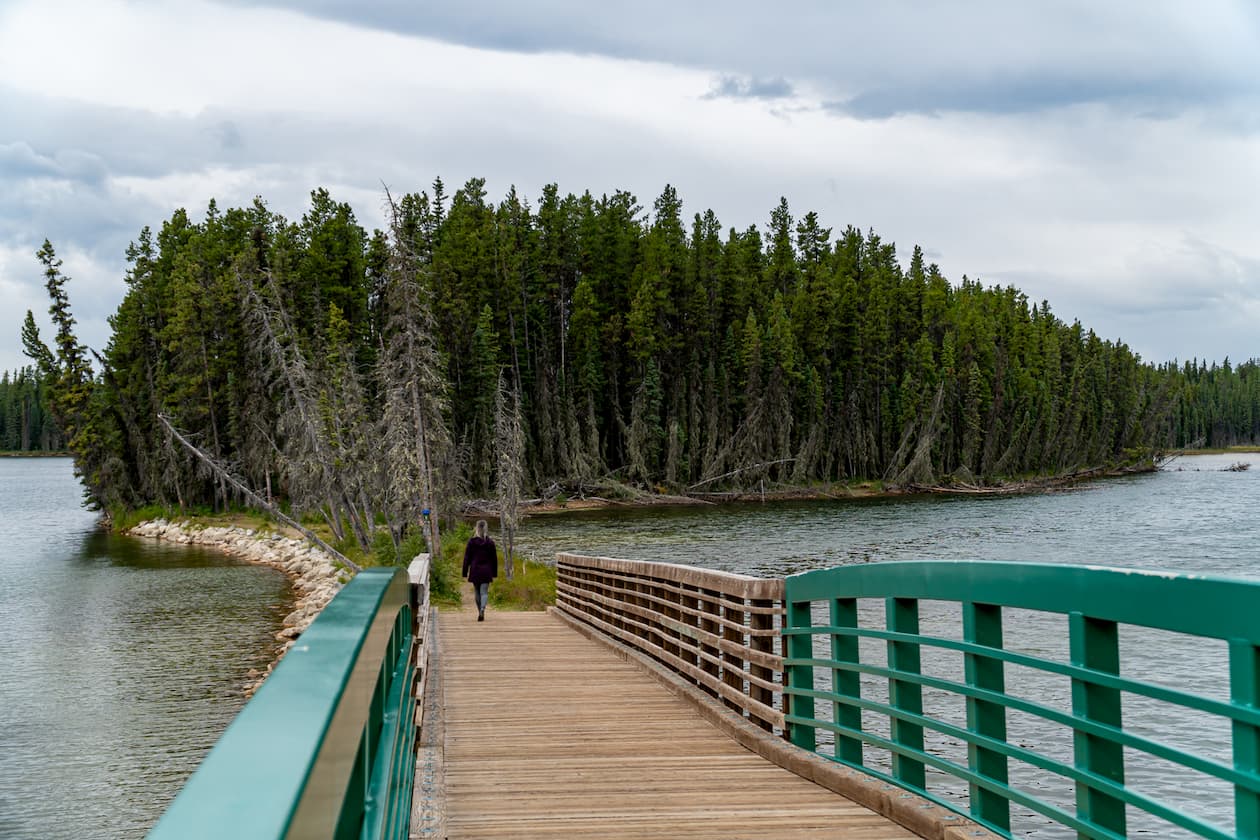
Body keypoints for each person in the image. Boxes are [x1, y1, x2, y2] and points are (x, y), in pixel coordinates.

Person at [462, 520, 498, 621]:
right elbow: (494, 559)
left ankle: (480, 611)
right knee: (484, 592)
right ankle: (482, 609)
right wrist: (494, 573)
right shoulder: (490, 543)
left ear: (476, 528)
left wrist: (465, 572)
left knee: (477, 592)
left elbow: (467, 558)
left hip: (475, 570)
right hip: (486, 571)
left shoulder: (471, 542)